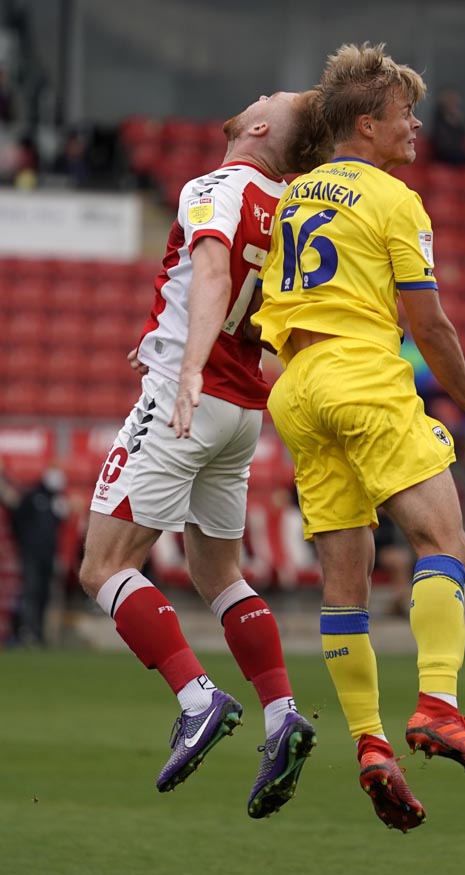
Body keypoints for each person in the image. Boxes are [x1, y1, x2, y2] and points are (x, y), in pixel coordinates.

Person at [252, 42, 465, 832]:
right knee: (446, 540)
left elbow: (265, 326)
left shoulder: (295, 196)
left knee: (346, 584)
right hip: (362, 374)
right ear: (367, 124)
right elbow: (429, 324)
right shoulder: (395, 199)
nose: (416, 126)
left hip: (297, 388)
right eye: (405, 113)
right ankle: (438, 702)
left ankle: (370, 743)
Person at [78, 90, 332, 819]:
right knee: (219, 573)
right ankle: (282, 713)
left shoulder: (216, 186)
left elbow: (215, 275)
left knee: (104, 565)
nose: (261, 95)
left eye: (270, 98)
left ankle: (197, 698)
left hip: (186, 401)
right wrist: (168, 337)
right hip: (243, 411)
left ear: (259, 126)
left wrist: (185, 367)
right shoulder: (292, 209)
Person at [6, 463, 69, 647]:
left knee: (43, 594)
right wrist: (24, 542)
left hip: (48, 555)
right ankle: (27, 631)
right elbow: (17, 520)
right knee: (31, 591)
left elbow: (57, 529)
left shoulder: (57, 500)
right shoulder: (33, 496)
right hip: (31, 554)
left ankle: (38, 633)